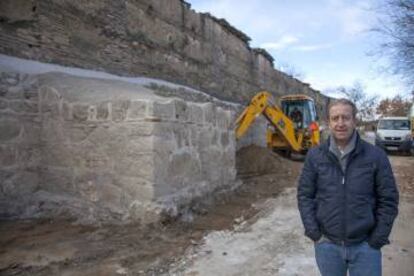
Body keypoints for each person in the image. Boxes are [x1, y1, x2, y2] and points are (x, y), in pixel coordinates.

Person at [297, 98, 399, 276]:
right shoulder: (315, 156)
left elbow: (388, 199)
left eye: (346, 117)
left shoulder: (376, 156)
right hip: (327, 245)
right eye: (335, 118)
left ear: (354, 121)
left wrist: (376, 239)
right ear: (328, 122)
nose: (340, 123)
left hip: (366, 246)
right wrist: (315, 234)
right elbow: (305, 195)